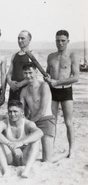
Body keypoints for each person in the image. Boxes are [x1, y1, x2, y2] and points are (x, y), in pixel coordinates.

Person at [20, 62, 69, 162]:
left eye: (30, 72)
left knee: (47, 160)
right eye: (25, 73)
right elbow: (21, 111)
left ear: (36, 72)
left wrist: (29, 122)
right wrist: (22, 124)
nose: (28, 76)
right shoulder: (24, 91)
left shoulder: (44, 86)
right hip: (33, 122)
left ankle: (65, 153)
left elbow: (42, 111)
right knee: (24, 158)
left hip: (46, 121)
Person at [45, 30, 79, 158]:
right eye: (58, 40)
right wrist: (47, 79)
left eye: (63, 40)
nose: (60, 43)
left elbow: (76, 77)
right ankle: (50, 148)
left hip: (66, 91)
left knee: (68, 122)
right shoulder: (50, 56)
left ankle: (72, 150)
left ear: (68, 41)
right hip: (53, 91)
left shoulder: (72, 56)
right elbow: (48, 74)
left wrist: (57, 82)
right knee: (52, 121)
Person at [0, 100, 43, 178]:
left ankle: (26, 171)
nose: (12, 114)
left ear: (22, 112)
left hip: (24, 157)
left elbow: (40, 133)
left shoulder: (28, 123)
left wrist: (21, 142)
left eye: (15, 111)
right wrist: (11, 144)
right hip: (9, 157)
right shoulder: (4, 123)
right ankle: (6, 171)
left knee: (36, 140)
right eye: (10, 111)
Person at [6, 30, 33, 101]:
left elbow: (33, 76)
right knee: (12, 110)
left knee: (25, 111)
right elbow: (9, 73)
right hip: (14, 89)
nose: (20, 40)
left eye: (22, 38)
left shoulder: (32, 55)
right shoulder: (14, 55)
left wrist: (20, 84)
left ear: (29, 40)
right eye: (18, 38)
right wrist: (10, 82)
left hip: (27, 89)